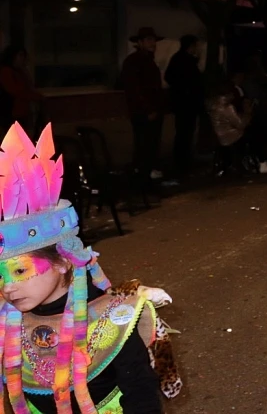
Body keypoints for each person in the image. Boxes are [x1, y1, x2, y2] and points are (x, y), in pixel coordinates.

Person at [0, 122, 181, 414]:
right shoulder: (7, 325)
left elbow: (142, 399)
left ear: (61, 261)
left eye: (20, 271)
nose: (7, 287)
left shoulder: (113, 321)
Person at [206, 76, 267, 174]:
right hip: (232, 136)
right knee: (256, 134)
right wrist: (248, 112)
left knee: (253, 131)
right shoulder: (226, 106)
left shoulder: (213, 104)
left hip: (221, 135)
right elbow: (240, 124)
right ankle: (262, 163)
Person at [120, 27, 166, 182]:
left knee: (150, 143)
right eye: (149, 40)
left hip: (151, 110)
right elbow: (134, 89)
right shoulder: (134, 62)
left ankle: (147, 173)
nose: (153, 43)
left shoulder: (147, 61)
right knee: (144, 143)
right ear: (139, 42)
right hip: (144, 112)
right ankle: (142, 175)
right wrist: (148, 109)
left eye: (153, 40)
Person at [163, 35, 204, 177]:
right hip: (186, 103)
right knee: (184, 133)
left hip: (185, 103)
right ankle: (182, 162)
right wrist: (185, 90)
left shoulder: (182, 59)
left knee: (185, 132)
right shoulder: (183, 60)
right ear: (190, 46)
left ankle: (184, 160)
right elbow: (174, 78)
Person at [0, 46, 43, 134]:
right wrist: (35, 97)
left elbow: (29, 87)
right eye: (20, 55)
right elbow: (15, 90)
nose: (22, 58)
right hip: (11, 113)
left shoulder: (21, 72)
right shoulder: (6, 71)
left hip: (22, 113)